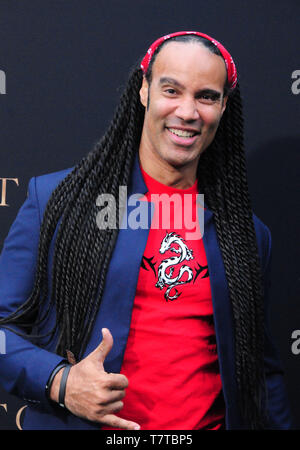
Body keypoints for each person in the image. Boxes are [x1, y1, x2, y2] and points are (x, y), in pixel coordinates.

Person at [0, 31, 292, 430]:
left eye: (206, 96)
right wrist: (59, 381)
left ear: (224, 106)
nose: (188, 112)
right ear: (144, 91)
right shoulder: (55, 200)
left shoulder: (247, 236)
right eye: (172, 90)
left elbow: (261, 371)